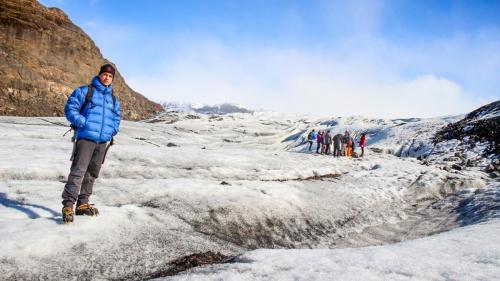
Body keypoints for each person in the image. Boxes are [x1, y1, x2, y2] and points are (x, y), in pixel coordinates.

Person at [61, 64, 121, 224]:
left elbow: (117, 117)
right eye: (105, 74)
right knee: (78, 171)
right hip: (86, 138)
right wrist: (83, 122)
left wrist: (112, 130)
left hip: (102, 141)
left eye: (110, 76)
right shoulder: (85, 91)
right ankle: (68, 205)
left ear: (112, 79)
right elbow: (70, 108)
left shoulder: (113, 99)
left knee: (92, 173)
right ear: (100, 75)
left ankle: (82, 204)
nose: (107, 78)